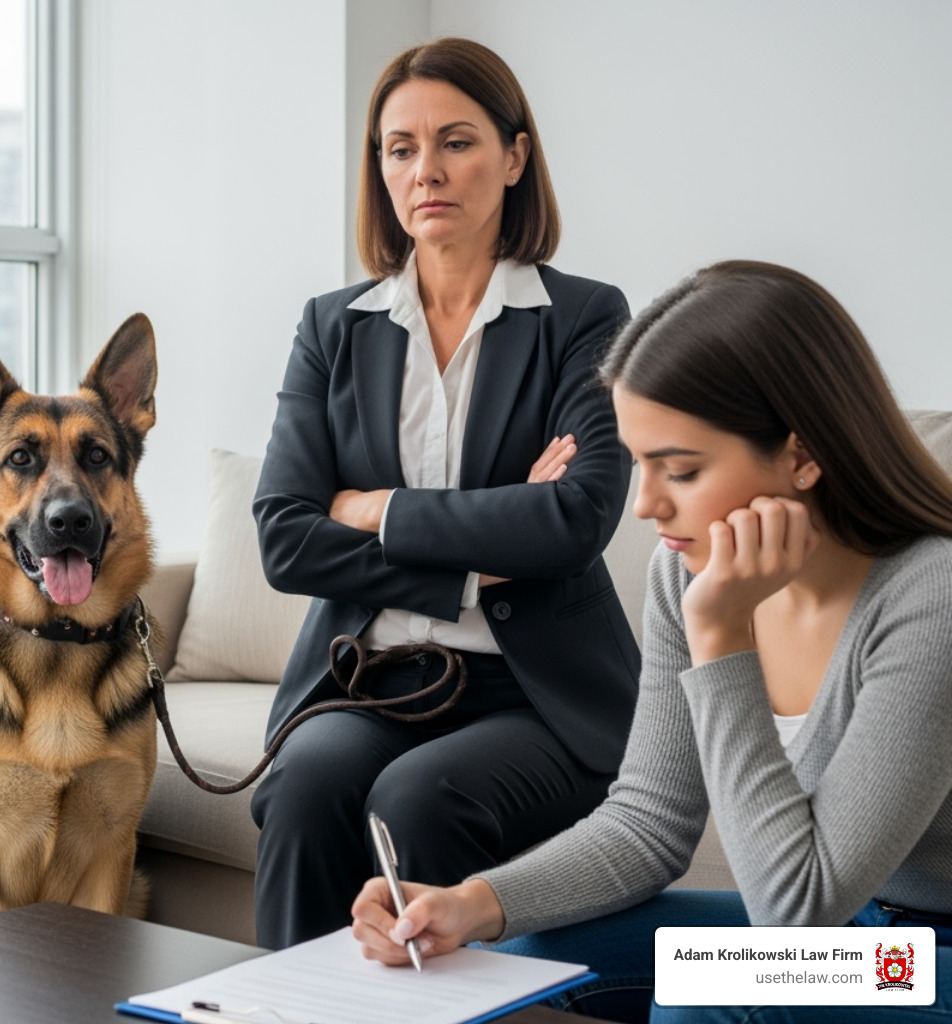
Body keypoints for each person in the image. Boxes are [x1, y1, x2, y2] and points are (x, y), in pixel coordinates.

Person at [351, 260, 952, 1023]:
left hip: (922, 955)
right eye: (641, 464)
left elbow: (798, 916)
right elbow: (649, 821)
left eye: (682, 469)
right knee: (518, 964)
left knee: (710, 999)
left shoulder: (931, 595)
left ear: (801, 456)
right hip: (854, 944)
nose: (646, 505)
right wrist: (474, 903)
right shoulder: (688, 569)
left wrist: (724, 638)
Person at [251, 37, 640, 951]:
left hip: (532, 693)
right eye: (400, 148)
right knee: (309, 783)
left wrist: (373, 506)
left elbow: (575, 520)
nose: (426, 170)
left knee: (416, 796)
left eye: (456, 141)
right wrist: (480, 556)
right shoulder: (332, 327)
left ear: (514, 156)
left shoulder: (586, 317)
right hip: (372, 681)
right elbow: (284, 538)